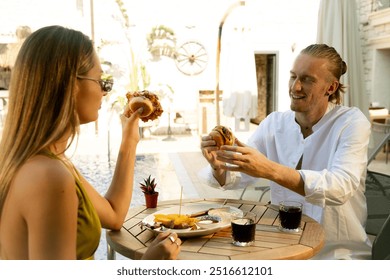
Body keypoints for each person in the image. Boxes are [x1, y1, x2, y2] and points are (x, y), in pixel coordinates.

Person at [0, 25, 181, 260]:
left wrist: (129, 140)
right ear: (71, 85)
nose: (104, 93)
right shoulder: (49, 177)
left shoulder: (43, 160)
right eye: (100, 81)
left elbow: (114, 215)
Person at [201, 44, 372, 259]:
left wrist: (270, 170)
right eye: (293, 77)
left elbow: (339, 187)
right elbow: (235, 177)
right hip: (282, 246)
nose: (296, 87)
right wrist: (219, 165)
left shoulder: (351, 122)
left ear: (330, 87)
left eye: (307, 79)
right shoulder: (274, 124)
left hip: (336, 253)